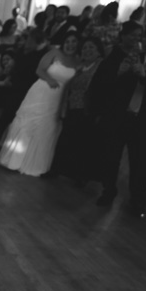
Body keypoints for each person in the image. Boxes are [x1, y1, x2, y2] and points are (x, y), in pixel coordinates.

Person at [0, 32, 80, 176]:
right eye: (67, 41)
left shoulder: (78, 61)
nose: (70, 45)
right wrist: (49, 79)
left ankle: (35, 164)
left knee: (47, 127)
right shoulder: (54, 53)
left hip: (58, 98)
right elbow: (39, 70)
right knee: (28, 123)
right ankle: (14, 160)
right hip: (41, 92)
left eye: (73, 41)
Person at [87, 21, 145, 207]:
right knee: (111, 156)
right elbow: (99, 85)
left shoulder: (142, 56)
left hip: (137, 116)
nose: (136, 39)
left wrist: (142, 74)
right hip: (116, 114)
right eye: (132, 35)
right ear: (123, 35)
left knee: (136, 160)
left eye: (138, 36)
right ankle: (109, 190)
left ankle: (136, 197)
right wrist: (118, 72)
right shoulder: (112, 55)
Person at [0, 28, 51, 158]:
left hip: (26, 93)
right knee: (3, 120)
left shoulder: (40, 56)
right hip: (15, 90)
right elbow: (15, 69)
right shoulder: (23, 52)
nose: (26, 41)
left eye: (29, 39)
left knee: (8, 122)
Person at [44, 37, 104, 182]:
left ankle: (79, 175)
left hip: (87, 109)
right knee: (65, 139)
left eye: (91, 47)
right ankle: (56, 169)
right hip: (72, 107)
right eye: (84, 48)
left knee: (82, 143)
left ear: (98, 51)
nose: (87, 50)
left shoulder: (101, 66)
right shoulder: (80, 67)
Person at [127, 25, 146, 218]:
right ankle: (135, 195)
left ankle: (138, 199)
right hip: (128, 117)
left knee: (145, 162)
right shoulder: (134, 58)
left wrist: (145, 77)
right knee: (134, 161)